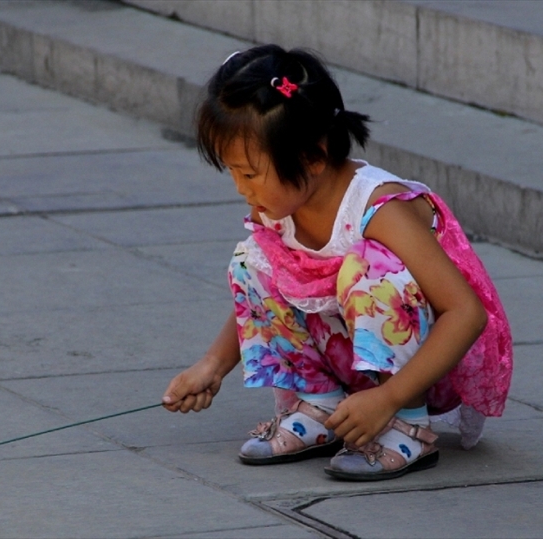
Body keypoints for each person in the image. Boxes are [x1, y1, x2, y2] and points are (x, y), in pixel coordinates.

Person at [161, 45, 512, 481]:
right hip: (349, 360)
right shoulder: (277, 207)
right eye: (232, 172)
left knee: (363, 269)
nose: (239, 188)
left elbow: (466, 313)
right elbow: (266, 289)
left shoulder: (380, 208)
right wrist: (211, 366)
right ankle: (320, 403)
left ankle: (408, 423)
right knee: (252, 261)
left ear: (312, 157)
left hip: (424, 368)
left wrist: (390, 398)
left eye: (249, 174)